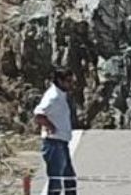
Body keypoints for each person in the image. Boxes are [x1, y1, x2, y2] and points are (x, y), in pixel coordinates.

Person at [34, 67, 77, 195]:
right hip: (54, 143)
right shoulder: (53, 96)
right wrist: (50, 126)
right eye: (68, 81)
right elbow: (38, 114)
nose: (71, 84)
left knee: (69, 179)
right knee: (56, 181)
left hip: (62, 143)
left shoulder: (61, 95)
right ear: (59, 80)